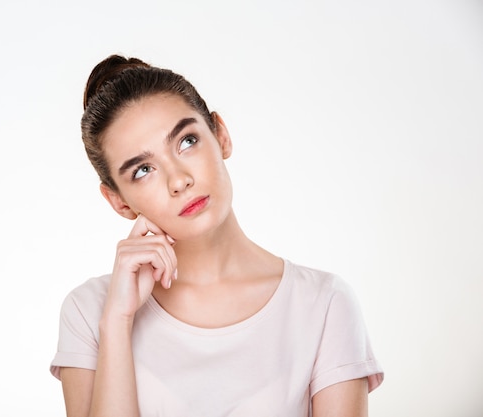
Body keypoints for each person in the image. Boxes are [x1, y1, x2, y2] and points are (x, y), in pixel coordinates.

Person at [50, 54, 384, 417]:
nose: (179, 180)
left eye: (187, 141)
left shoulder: (324, 305)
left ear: (220, 135)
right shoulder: (89, 312)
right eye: (144, 169)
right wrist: (117, 322)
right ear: (117, 201)